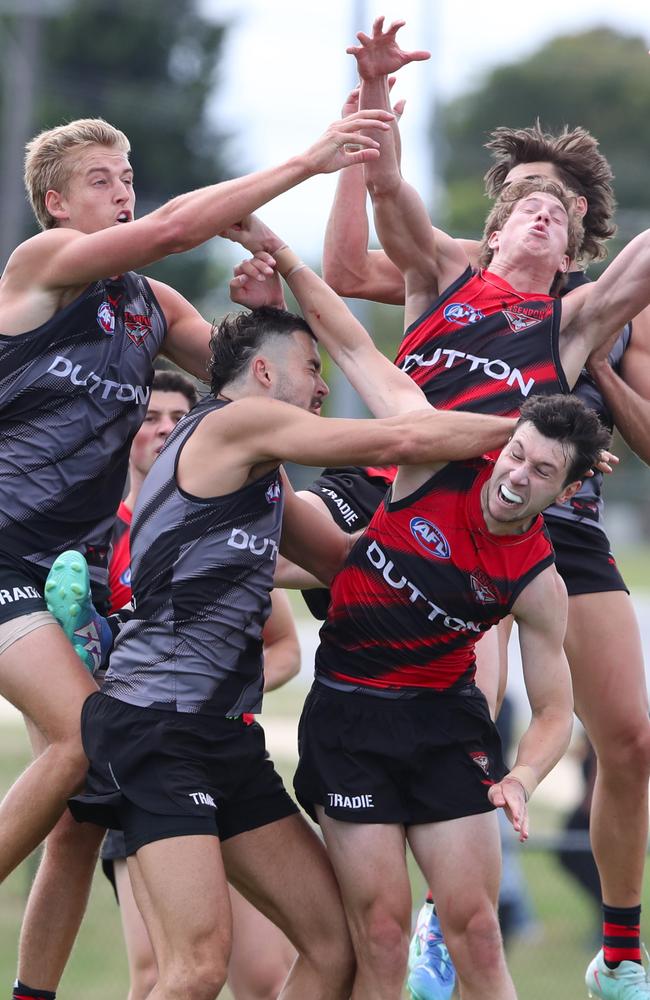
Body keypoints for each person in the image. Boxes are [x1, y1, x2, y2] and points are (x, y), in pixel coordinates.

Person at [1, 106, 396, 1000]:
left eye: (128, 176)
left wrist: (262, 311)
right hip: (3, 562)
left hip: (83, 574)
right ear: (57, 205)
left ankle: (32, 993)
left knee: (80, 807)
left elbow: (248, 376)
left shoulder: (149, 309)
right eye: (101, 181)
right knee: (77, 736)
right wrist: (308, 160)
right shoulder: (39, 270)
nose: (124, 193)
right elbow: (181, 226)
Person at [60, 233, 514, 1000]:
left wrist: (471, 543)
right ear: (264, 374)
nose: (321, 387)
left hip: (224, 739)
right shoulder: (231, 424)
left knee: (338, 947)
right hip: (152, 728)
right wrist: (530, 435)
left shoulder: (266, 478)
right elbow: (399, 435)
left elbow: (349, 562)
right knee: (197, 969)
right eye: (313, 371)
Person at [343, 18, 650, 998]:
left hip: (560, 527)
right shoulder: (438, 274)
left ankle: (619, 952)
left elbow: (638, 259)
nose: (543, 214)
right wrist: (377, 97)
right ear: (494, 221)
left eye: (561, 210)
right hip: (452, 529)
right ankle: (441, 918)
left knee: (632, 741)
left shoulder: (572, 319)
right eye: (527, 201)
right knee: (467, 710)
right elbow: (385, 195)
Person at [99, 367, 299, 999]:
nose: (161, 429)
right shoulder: (98, 539)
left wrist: (213, 691)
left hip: (226, 752)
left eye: (174, 420)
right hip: (144, 755)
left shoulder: (223, 528)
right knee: (165, 973)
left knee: (264, 977)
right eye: (148, 417)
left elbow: (286, 646)